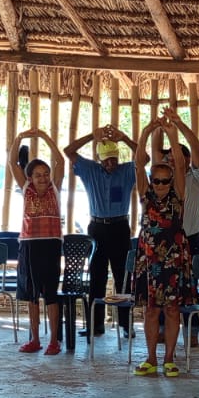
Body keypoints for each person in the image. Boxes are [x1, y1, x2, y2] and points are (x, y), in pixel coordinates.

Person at [131, 117, 193, 377]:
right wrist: (146, 132)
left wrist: (172, 135)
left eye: (164, 181)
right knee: (151, 310)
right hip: (149, 258)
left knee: (172, 309)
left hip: (173, 258)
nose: (160, 185)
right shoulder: (145, 195)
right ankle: (151, 358)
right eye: (156, 181)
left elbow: (180, 163)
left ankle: (169, 358)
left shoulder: (178, 195)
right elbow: (138, 163)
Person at [65, 123, 139, 338]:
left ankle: (126, 325)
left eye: (113, 159)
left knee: (122, 277)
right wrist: (92, 135)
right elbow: (68, 151)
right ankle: (95, 324)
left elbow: (145, 158)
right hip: (97, 228)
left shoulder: (127, 171)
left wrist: (124, 138)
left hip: (119, 227)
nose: (110, 164)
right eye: (106, 160)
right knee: (96, 277)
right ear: (99, 159)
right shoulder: (90, 170)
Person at [9, 125, 65, 356]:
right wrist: (19, 137)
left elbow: (60, 161)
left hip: (51, 244)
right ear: (30, 177)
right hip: (29, 244)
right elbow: (12, 163)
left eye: (45, 174)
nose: (43, 178)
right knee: (31, 294)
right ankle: (34, 339)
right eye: (38, 175)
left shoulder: (55, 188)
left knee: (50, 293)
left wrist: (44, 136)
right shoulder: (26, 189)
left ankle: (53, 341)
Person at [159, 111, 199, 254]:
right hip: (165, 239)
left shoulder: (198, 177)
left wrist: (179, 123)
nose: (172, 159)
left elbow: (196, 148)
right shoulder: (163, 181)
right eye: (169, 156)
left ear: (187, 159)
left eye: (176, 155)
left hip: (189, 239)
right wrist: (157, 128)